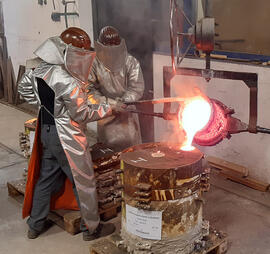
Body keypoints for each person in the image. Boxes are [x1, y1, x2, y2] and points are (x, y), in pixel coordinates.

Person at [18, 27, 123, 241]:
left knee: (46, 179)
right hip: (66, 137)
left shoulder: (38, 68)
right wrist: (110, 109)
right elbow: (82, 113)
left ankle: (35, 225)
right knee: (83, 182)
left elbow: (24, 89)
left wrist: (45, 106)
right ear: (71, 52)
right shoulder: (67, 79)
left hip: (46, 132)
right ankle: (91, 229)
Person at [88, 26, 145, 151]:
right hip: (105, 113)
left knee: (131, 153)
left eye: (114, 46)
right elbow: (89, 91)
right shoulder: (94, 63)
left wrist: (123, 101)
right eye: (107, 46)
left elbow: (136, 88)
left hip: (127, 113)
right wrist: (111, 104)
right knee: (108, 154)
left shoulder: (130, 62)